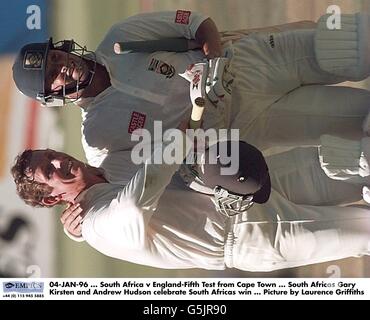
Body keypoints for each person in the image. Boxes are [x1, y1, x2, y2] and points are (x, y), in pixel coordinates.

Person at [11, 11, 370, 168]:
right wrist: (81, 223)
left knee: (355, 44)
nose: (62, 65)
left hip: (254, 62)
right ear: (52, 96)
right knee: (357, 121)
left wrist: (212, 62)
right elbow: (111, 186)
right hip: (249, 123)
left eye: (55, 56)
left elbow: (199, 25)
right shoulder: (98, 136)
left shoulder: (120, 37)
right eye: (53, 73)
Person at [11, 130, 370, 272]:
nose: (60, 162)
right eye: (49, 171)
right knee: (364, 232)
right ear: (50, 199)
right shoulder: (94, 224)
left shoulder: (109, 164)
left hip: (237, 187)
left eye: (52, 155)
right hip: (250, 234)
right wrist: (172, 144)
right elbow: (135, 205)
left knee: (347, 163)